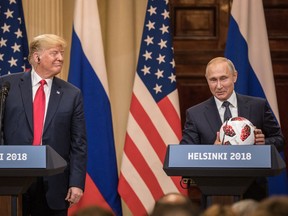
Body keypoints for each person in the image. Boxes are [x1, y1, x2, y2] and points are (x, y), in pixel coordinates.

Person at [0, 34, 87, 216]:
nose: (61, 58)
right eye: (54, 53)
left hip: (55, 182)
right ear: (37, 57)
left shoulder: (72, 94)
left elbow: (78, 143)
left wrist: (76, 182)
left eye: (62, 53)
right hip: (12, 179)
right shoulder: (7, 85)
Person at [180, 57, 284, 200]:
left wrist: (262, 143)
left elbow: (279, 140)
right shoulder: (195, 114)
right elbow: (185, 154)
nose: (218, 86)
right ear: (206, 80)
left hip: (253, 192)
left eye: (223, 78)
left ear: (234, 76)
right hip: (214, 192)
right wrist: (212, 151)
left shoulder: (257, 106)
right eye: (213, 80)